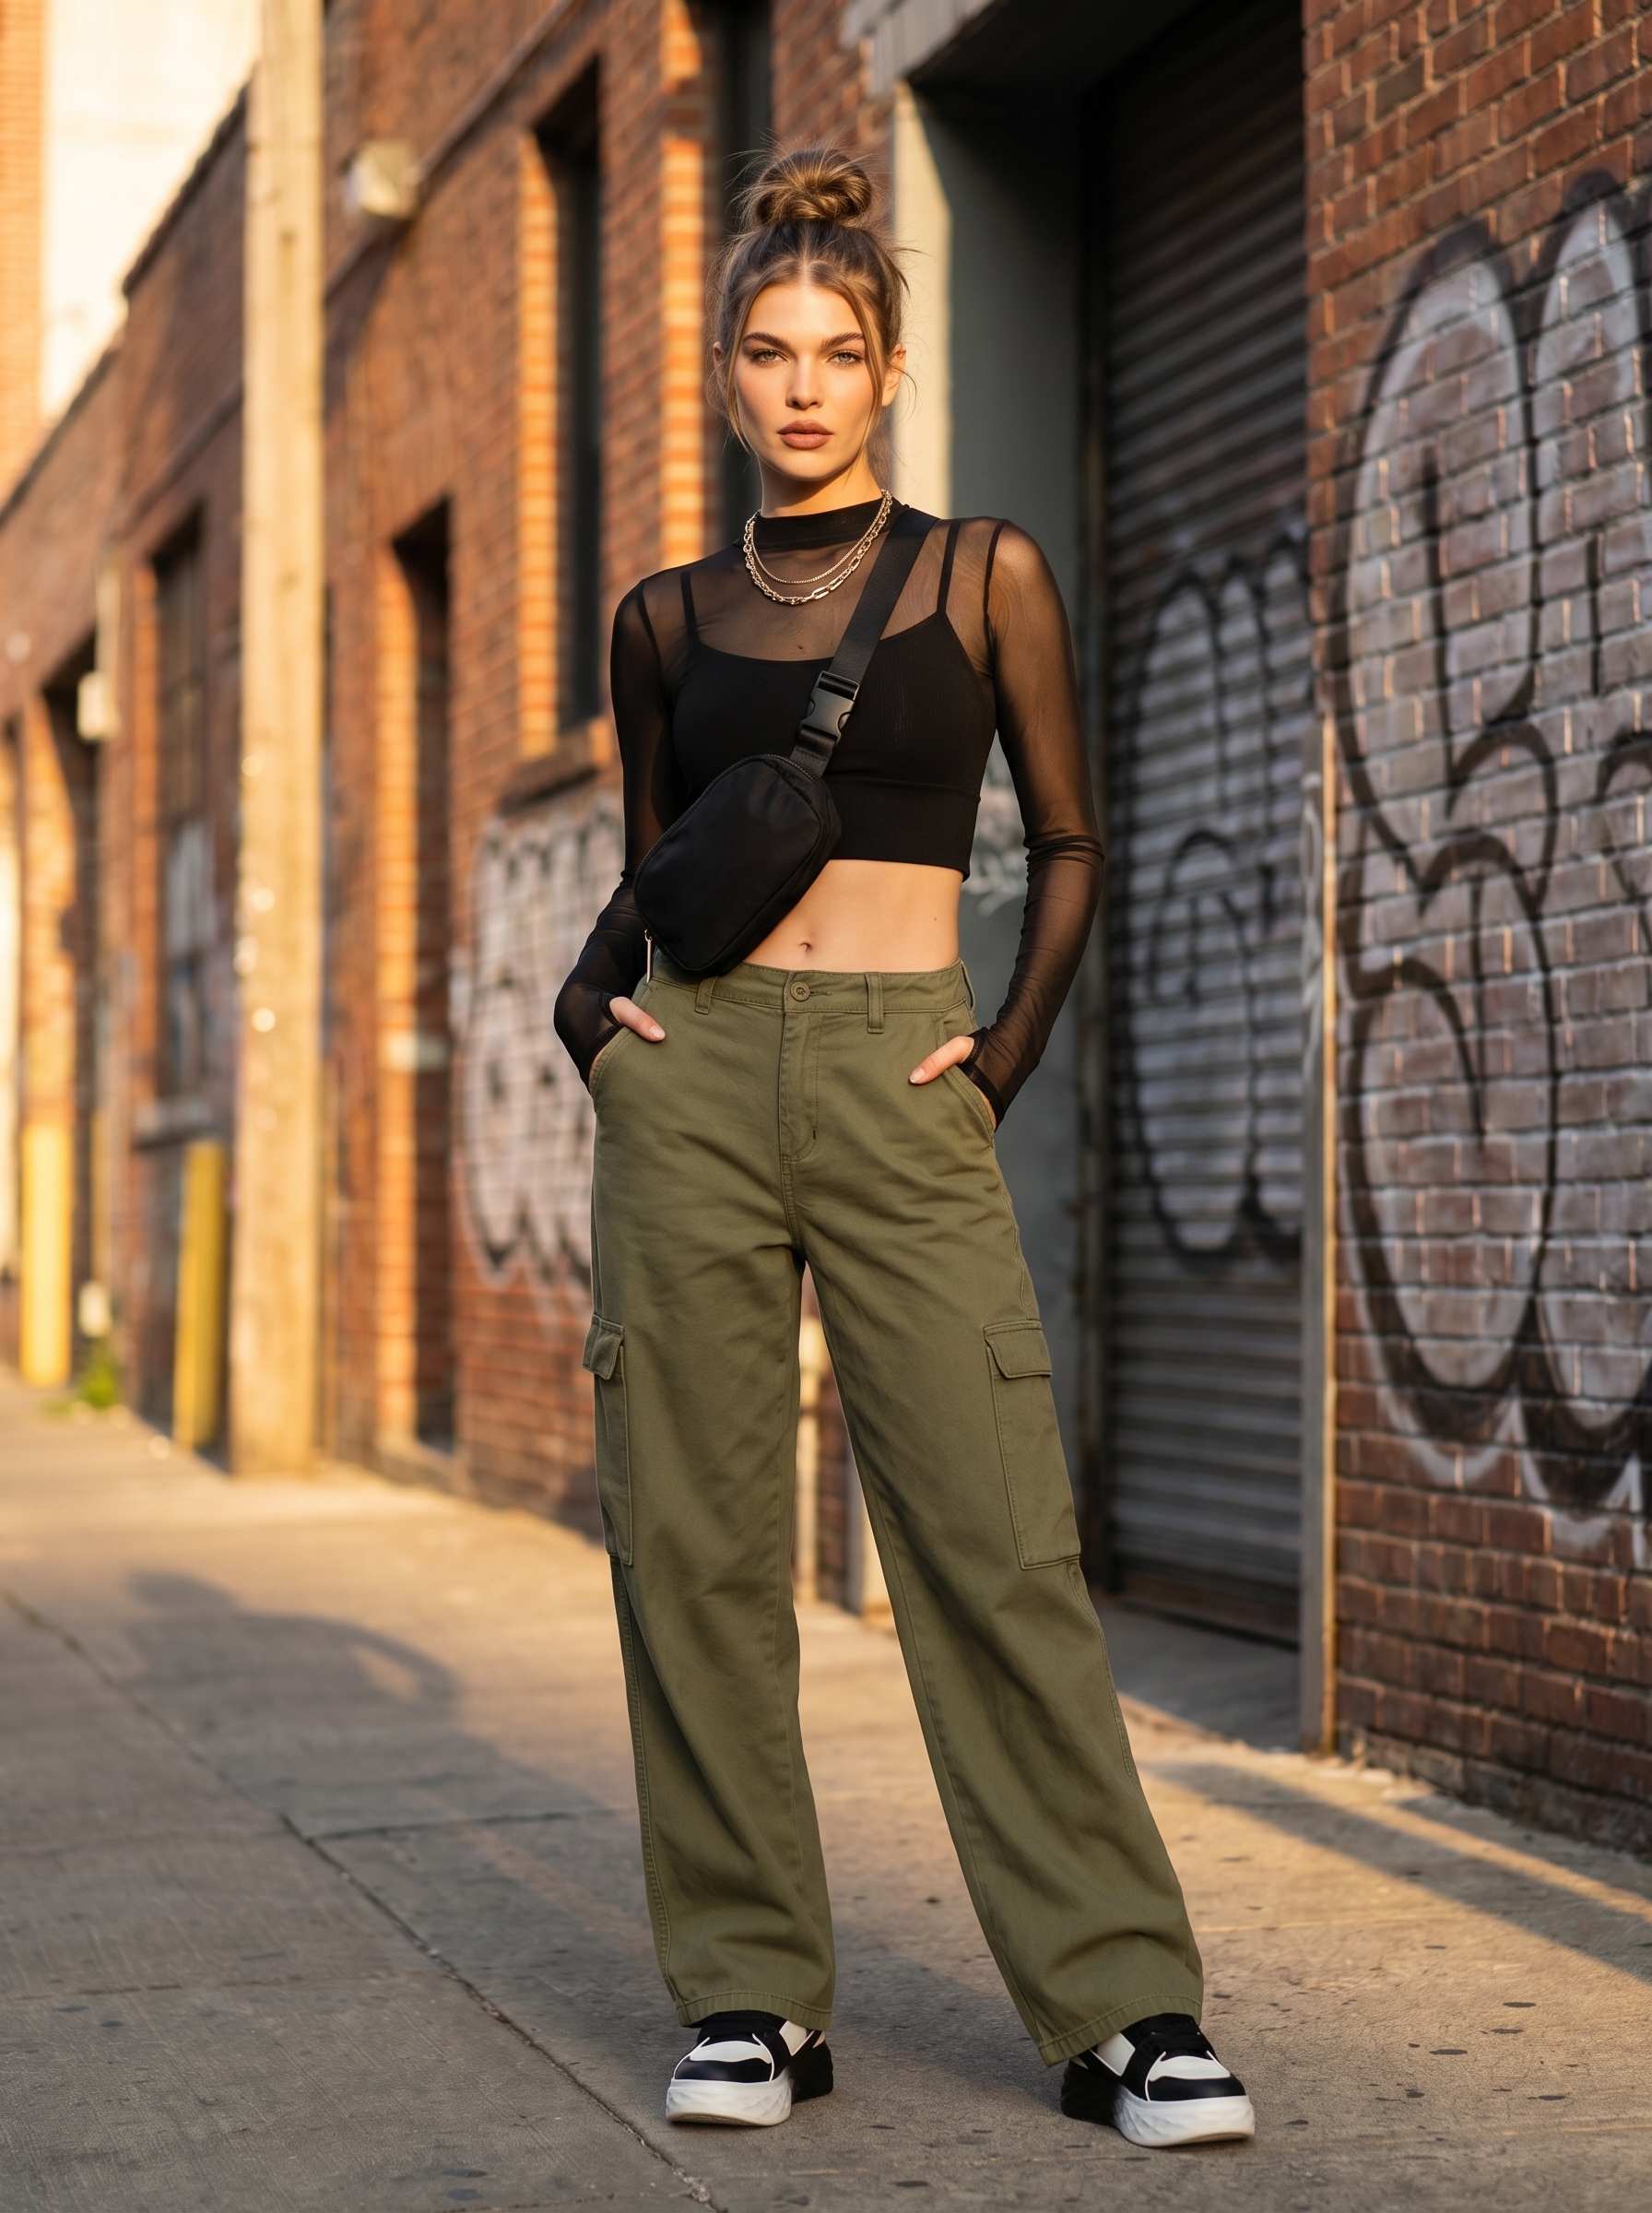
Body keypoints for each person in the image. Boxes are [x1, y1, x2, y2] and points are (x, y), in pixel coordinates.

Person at [554, 146, 1254, 2152]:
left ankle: (1122, 2006)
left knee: (990, 1534)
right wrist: (594, 1037)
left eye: (835, 352)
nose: (799, 385)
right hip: (688, 1087)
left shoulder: (979, 574)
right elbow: (651, 878)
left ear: (885, 374)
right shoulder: (661, 618)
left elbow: (1069, 840)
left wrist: (1003, 1056)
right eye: (765, 352)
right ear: (719, 377)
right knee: (691, 1545)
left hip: (900, 1070)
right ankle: (751, 1996)